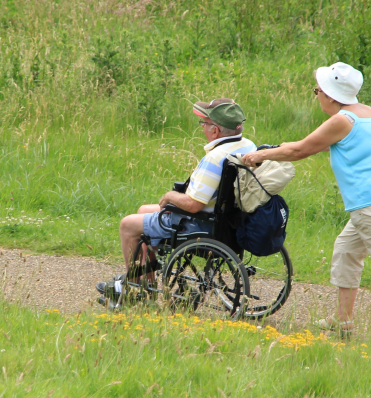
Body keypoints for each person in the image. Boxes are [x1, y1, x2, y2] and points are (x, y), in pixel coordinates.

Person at [241, 63, 371, 344]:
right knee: (346, 250)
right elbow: (306, 143)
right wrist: (276, 149)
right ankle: (342, 319)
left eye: (317, 90)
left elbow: (300, 150)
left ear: (330, 95)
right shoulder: (367, 113)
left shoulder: (343, 120)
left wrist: (262, 157)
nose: (316, 94)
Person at [97, 99, 257, 307]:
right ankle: (145, 282)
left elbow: (193, 205)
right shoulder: (247, 145)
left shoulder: (215, 158)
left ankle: (132, 290)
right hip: (227, 218)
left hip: (199, 222)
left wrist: (170, 196)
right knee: (143, 211)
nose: (202, 129)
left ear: (215, 131)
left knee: (128, 225)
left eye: (204, 124)